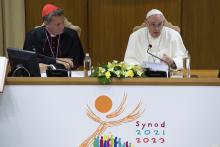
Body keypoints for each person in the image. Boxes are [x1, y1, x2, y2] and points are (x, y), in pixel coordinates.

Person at [23, 3, 84, 71]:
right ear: (46, 23)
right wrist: (56, 60)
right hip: (40, 78)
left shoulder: (72, 35)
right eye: (58, 24)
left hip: (65, 77)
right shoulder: (32, 36)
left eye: (63, 22)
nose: (62, 27)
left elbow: (76, 61)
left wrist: (49, 66)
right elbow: (28, 60)